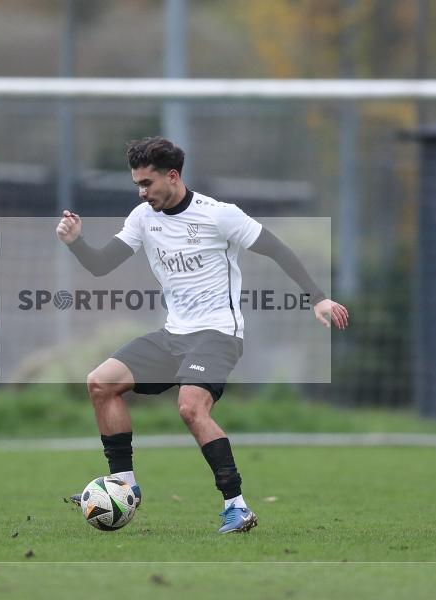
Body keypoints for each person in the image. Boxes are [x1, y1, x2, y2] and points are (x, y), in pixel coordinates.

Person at [58, 136, 349, 533]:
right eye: (137, 185)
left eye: (147, 184)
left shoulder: (219, 214)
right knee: (100, 383)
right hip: (173, 334)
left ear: (172, 176)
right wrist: (77, 244)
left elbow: (276, 248)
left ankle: (237, 506)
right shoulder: (143, 218)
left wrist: (317, 298)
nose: (142, 193)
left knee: (191, 406)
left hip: (218, 332)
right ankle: (123, 486)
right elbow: (101, 265)